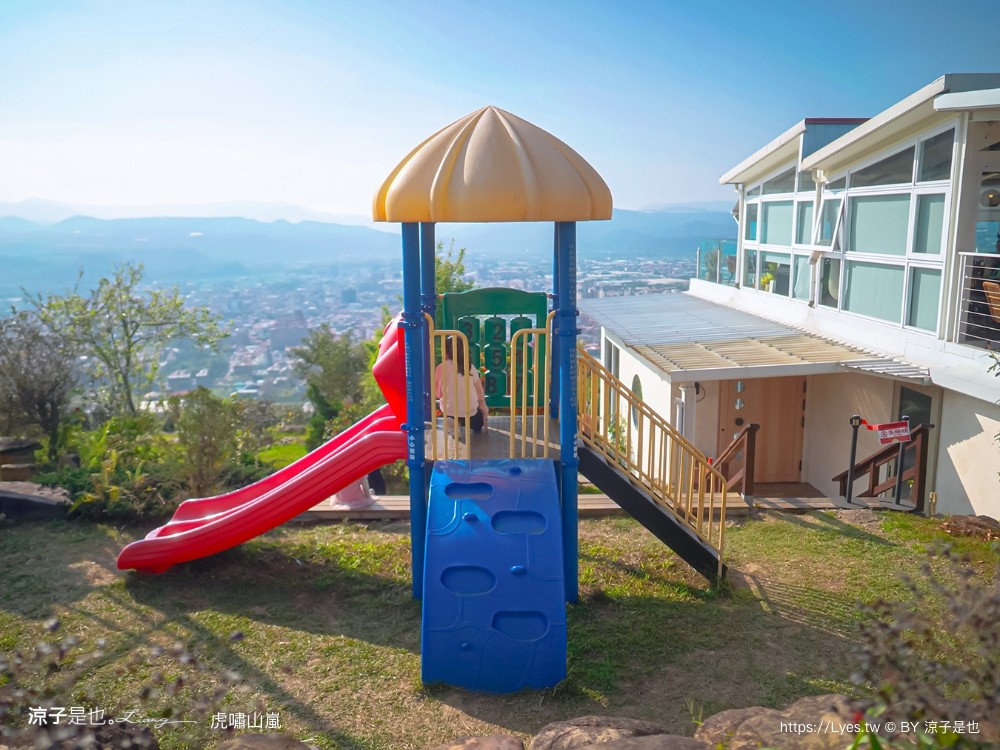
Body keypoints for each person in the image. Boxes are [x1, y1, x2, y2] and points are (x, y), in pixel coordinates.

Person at [435, 338, 489, 433]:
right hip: (470, 412)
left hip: (450, 410)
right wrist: (484, 410)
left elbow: (438, 394)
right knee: (478, 424)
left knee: (450, 411)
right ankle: (459, 423)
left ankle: (454, 424)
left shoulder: (441, 368)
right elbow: (480, 392)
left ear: (445, 352)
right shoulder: (470, 367)